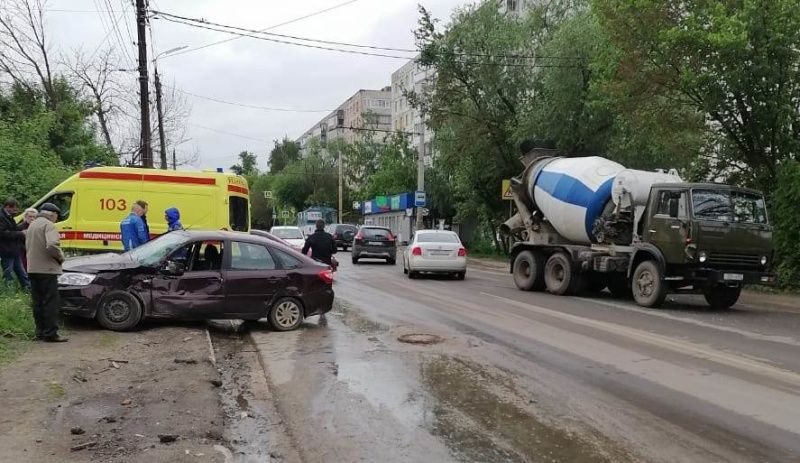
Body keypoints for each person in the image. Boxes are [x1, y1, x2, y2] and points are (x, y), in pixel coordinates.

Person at [26, 203, 67, 342]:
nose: (56, 219)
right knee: (50, 302)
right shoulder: (48, 225)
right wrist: (60, 258)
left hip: (32, 269)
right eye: (56, 216)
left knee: (38, 303)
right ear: (52, 215)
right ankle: (51, 333)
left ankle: (40, 332)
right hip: (47, 270)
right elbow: (52, 245)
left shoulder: (32, 224)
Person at [0, 198, 30, 290]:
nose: (16, 211)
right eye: (14, 209)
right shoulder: (1, 217)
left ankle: (27, 288)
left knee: (21, 272)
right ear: (8, 207)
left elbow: (13, 229)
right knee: (8, 273)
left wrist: (22, 229)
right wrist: (21, 233)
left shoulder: (9, 216)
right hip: (6, 250)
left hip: (14, 250)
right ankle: (8, 292)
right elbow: (3, 233)